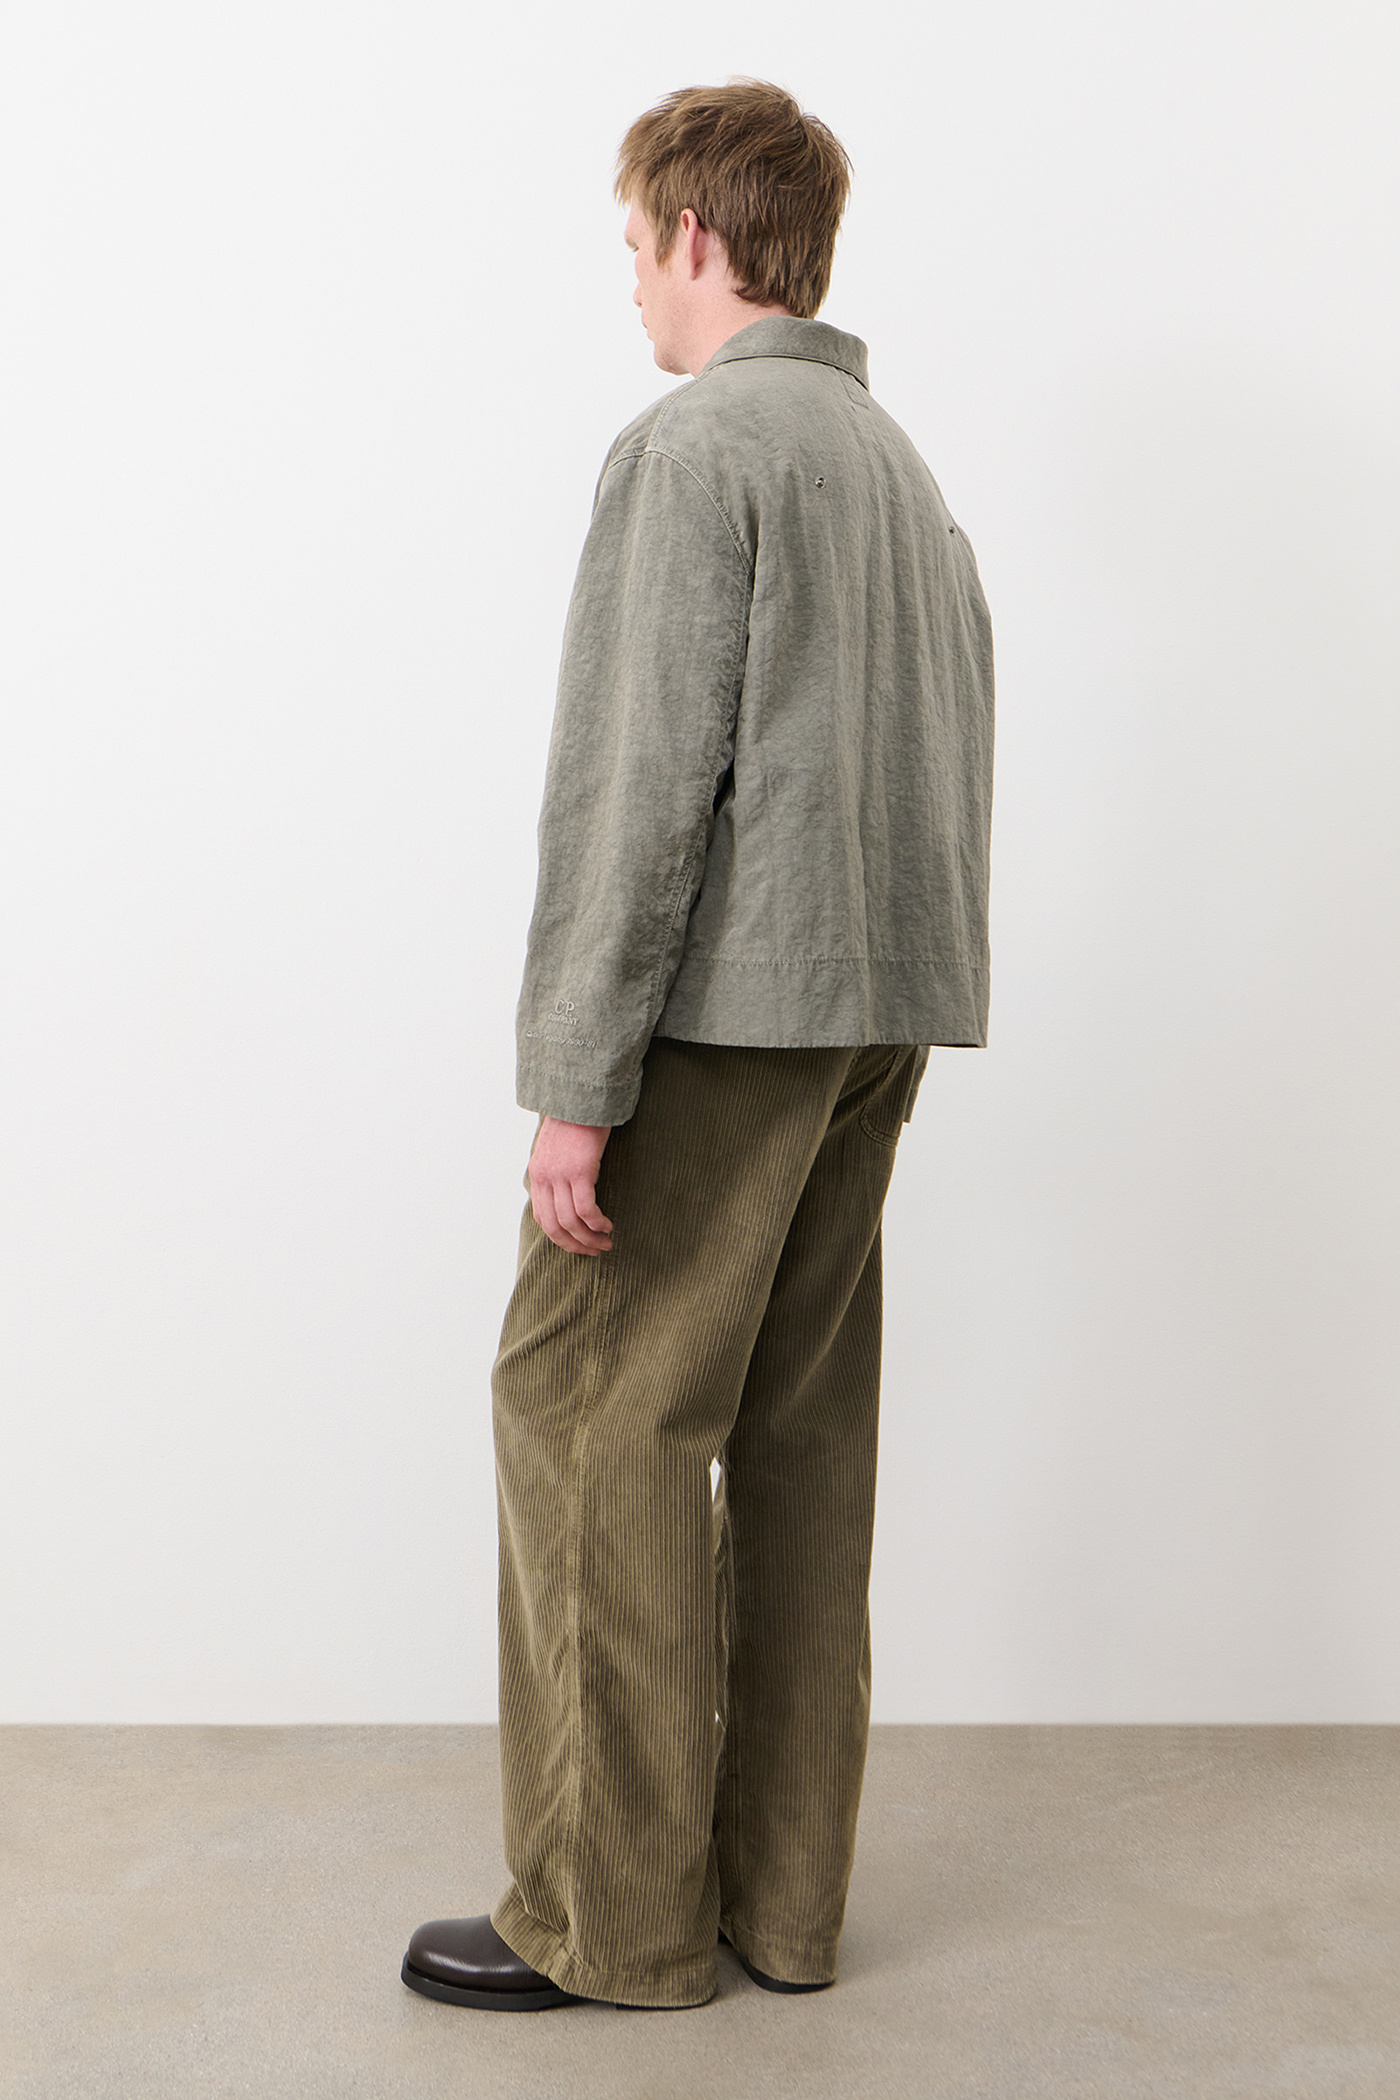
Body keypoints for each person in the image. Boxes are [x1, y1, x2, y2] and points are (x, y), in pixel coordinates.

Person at [401, 78, 994, 2014]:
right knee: (799, 1446)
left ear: (697, 237)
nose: (634, 288)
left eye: (635, 248)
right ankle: (780, 1909)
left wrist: (576, 1086)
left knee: (590, 1418)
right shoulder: (896, 467)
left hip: (728, 1020)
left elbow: (636, 789)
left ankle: (612, 1922)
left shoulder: (696, 448)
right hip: (877, 1013)